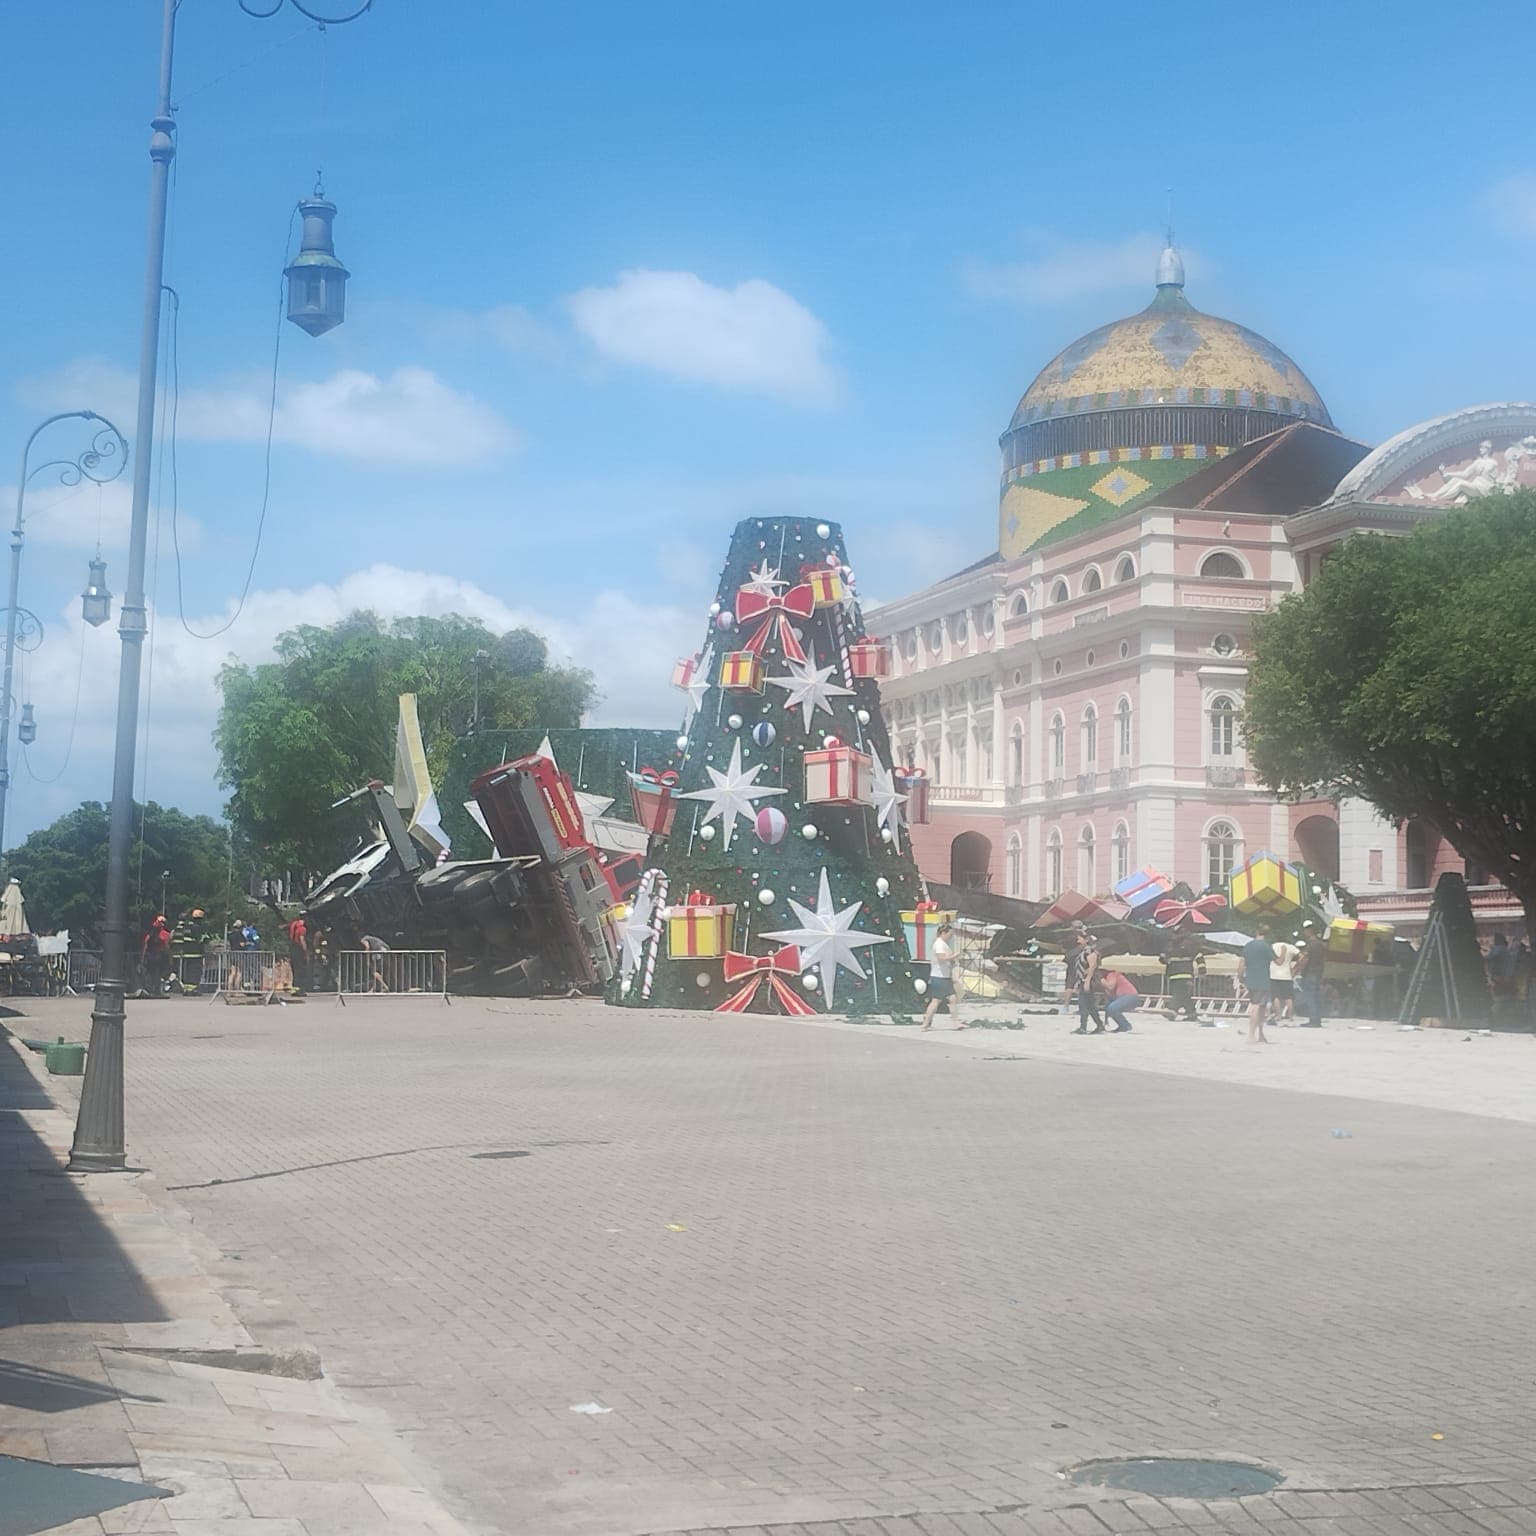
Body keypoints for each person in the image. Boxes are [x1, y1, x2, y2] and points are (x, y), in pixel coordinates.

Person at [921, 922, 961, 1030]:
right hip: (939, 976)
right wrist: (954, 956)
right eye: (950, 934)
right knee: (936, 1001)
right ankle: (926, 1023)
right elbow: (941, 958)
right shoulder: (939, 944)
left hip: (944, 976)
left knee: (952, 999)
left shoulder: (943, 944)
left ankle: (956, 1022)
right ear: (943, 932)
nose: (951, 937)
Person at [1242, 926, 1275, 1045]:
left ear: (1256, 932)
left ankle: (1261, 1034)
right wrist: (1284, 953)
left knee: (1261, 1007)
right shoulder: (1266, 947)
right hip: (1263, 979)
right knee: (1258, 1006)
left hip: (1250, 979)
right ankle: (1251, 1034)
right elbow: (1278, 962)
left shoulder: (1248, 946)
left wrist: (1241, 977)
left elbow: (1242, 964)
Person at [1069, 931, 1104, 1035]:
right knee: (1089, 1005)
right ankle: (1099, 1024)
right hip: (1083, 980)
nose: (1078, 941)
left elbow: (1092, 966)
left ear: (1086, 940)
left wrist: (1087, 981)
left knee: (1083, 1004)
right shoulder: (1085, 951)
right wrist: (1078, 982)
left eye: (1079, 939)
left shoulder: (1089, 951)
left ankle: (1083, 1027)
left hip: (1088, 981)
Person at [1162, 938, 1204, 1021]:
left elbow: (1162, 959)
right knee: (1185, 995)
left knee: (1179, 993)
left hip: (1176, 975)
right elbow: (1200, 958)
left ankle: (1172, 1010)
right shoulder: (1189, 946)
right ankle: (1192, 1014)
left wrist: (1164, 959)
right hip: (1184, 975)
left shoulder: (1170, 946)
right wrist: (1202, 971)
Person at [1294, 922, 1325, 1027]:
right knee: (1316, 997)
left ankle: (1313, 1020)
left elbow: (1304, 959)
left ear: (1309, 931)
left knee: (1310, 996)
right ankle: (1317, 1019)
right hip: (1318, 973)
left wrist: (1295, 970)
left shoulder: (1311, 944)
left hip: (1309, 973)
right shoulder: (1321, 944)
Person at [1096, 966, 1141, 1032]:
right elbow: (1108, 1000)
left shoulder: (1112, 974)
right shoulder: (1106, 977)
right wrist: (1106, 1018)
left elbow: (1110, 986)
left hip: (1130, 996)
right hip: (1125, 997)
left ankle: (1126, 1026)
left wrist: (1101, 979)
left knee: (1112, 1008)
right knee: (1111, 1008)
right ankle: (1123, 1026)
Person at [1270, 932, 1301, 1021]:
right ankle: (1290, 1016)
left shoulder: (1272, 946)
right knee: (1288, 997)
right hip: (1287, 975)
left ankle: (1278, 1015)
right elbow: (1301, 956)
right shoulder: (1290, 947)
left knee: (1275, 996)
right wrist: (1296, 967)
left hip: (1273, 974)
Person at [140, 914, 173, 994]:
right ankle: (156, 990)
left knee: (150, 973)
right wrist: (169, 958)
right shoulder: (165, 934)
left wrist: (143, 957)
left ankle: (150, 989)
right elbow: (167, 947)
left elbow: (145, 945)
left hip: (150, 956)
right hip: (159, 956)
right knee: (157, 974)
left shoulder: (150, 934)